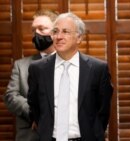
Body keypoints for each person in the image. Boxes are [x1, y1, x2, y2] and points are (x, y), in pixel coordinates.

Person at [27, 12, 113, 141]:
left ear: (79, 38)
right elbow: (35, 106)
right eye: (55, 31)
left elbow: (103, 109)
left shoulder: (97, 68)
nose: (59, 36)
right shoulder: (38, 69)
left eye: (65, 31)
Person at [2, 9, 58, 141]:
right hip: (30, 136)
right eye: (34, 30)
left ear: (56, 32)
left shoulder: (72, 64)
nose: (36, 33)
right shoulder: (20, 65)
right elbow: (10, 96)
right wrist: (35, 113)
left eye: (42, 28)